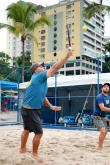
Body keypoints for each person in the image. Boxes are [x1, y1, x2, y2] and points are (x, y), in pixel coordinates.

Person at [20, 47, 73, 162]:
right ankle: (34, 154)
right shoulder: (39, 76)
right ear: (35, 70)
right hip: (31, 110)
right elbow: (55, 67)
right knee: (39, 133)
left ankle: (22, 148)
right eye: (40, 66)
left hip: (26, 109)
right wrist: (68, 55)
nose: (43, 67)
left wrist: (50, 106)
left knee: (26, 130)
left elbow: (42, 97)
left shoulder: (37, 80)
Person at [93, 83, 110, 150]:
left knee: (105, 131)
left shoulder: (108, 97)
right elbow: (102, 108)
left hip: (104, 117)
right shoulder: (100, 97)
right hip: (97, 117)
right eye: (105, 86)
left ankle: (101, 144)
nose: (106, 88)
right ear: (101, 88)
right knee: (103, 131)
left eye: (108, 87)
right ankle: (100, 147)